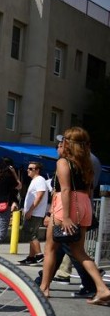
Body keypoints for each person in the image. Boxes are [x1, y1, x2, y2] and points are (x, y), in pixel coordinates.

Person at [40, 127, 110, 305]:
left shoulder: (64, 162)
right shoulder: (87, 163)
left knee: (50, 248)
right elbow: (88, 189)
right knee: (79, 251)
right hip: (84, 204)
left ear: (69, 143)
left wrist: (66, 217)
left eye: (64, 140)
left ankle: (44, 288)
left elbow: (65, 189)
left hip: (66, 205)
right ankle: (101, 288)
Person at [0, 157, 22, 256]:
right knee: (2, 232)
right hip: (4, 207)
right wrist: (14, 173)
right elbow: (19, 186)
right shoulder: (9, 177)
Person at [18, 161, 48, 265]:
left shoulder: (40, 180)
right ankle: (31, 257)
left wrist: (30, 210)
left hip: (35, 213)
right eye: (28, 168)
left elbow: (39, 196)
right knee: (31, 234)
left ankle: (39, 254)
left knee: (30, 233)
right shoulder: (35, 180)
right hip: (33, 212)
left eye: (31, 168)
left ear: (37, 170)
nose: (28, 170)